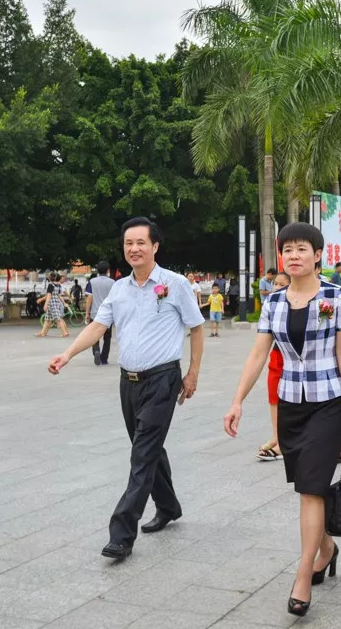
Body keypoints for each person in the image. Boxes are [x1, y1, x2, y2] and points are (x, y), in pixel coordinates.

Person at [224, 222, 341, 618]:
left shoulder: (337, 298)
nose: (294, 256)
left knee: (312, 489)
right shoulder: (274, 301)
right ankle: (327, 549)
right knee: (305, 487)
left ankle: (303, 574)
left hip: (328, 402)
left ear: (317, 255)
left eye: (302, 249)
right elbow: (258, 356)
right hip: (291, 404)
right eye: (288, 250)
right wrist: (237, 401)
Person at [48, 217, 205, 560]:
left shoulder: (174, 284)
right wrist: (68, 354)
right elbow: (98, 327)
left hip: (163, 379)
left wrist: (192, 373)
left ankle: (121, 533)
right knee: (146, 447)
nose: (134, 249)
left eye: (141, 243)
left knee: (142, 454)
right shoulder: (119, 288)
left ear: (155, 247)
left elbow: (196, 328)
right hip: (128, 382)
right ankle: (169, 506)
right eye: (128, 244)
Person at [258, 271, 291, 461]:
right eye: (275, 284)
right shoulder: (271, 306)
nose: (276, 288)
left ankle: (283, 443)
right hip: (277, 355)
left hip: (292, 358)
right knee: (273, 396)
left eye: (281, 284)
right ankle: (278, 437)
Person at [85, 261, 116, 366]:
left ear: (97, 270)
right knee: (107, 337)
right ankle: (104, 358)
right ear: (108, 270)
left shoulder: (92, 282)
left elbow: (89, 298)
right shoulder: (113, 282)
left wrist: (87, 313)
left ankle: (96, 351)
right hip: (108, 314)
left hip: (95, 313)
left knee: (94, 334)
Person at [36, 274, 69, 338]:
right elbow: (59, 295)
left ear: (51, 278)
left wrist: (46, 304)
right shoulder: (58, 285)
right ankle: (43, 333)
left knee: (58, 319)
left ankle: (64, 333)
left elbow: (49, 295)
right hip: (56, 303)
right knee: (47, 319)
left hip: (52, 304)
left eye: (49, 276)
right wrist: (64, 303)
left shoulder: (51, 285)